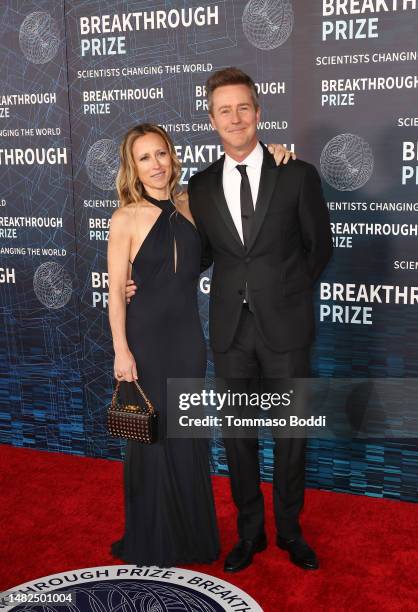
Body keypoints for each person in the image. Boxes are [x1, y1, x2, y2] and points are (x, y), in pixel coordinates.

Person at [126, 67, 333, 572]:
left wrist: (281, 293)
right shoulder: (199, 187)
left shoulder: (297, 174)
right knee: (239, 440)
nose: (235, 117)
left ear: (258, 113)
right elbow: (192, 256)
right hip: (229, 334)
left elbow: (319, 248)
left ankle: (290, 531)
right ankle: (250, 533)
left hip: (286, 330)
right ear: (213, 120)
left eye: (244, 107)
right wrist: (142, 283)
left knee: (291, 437)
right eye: (224, 110)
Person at [108, 122, 294, 567]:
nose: (155, 165)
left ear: (172, 157)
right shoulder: (125, 217)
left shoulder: (193, 202)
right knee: (153, 435)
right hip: (146, 337)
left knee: (186, 435)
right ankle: (154, 535)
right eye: (144, 158)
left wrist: (276, 156)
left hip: (189, 338)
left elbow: (241, 190)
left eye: (161, 154)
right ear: (132, 168)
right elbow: (116, 290)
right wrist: (121, 349)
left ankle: (190, 532)